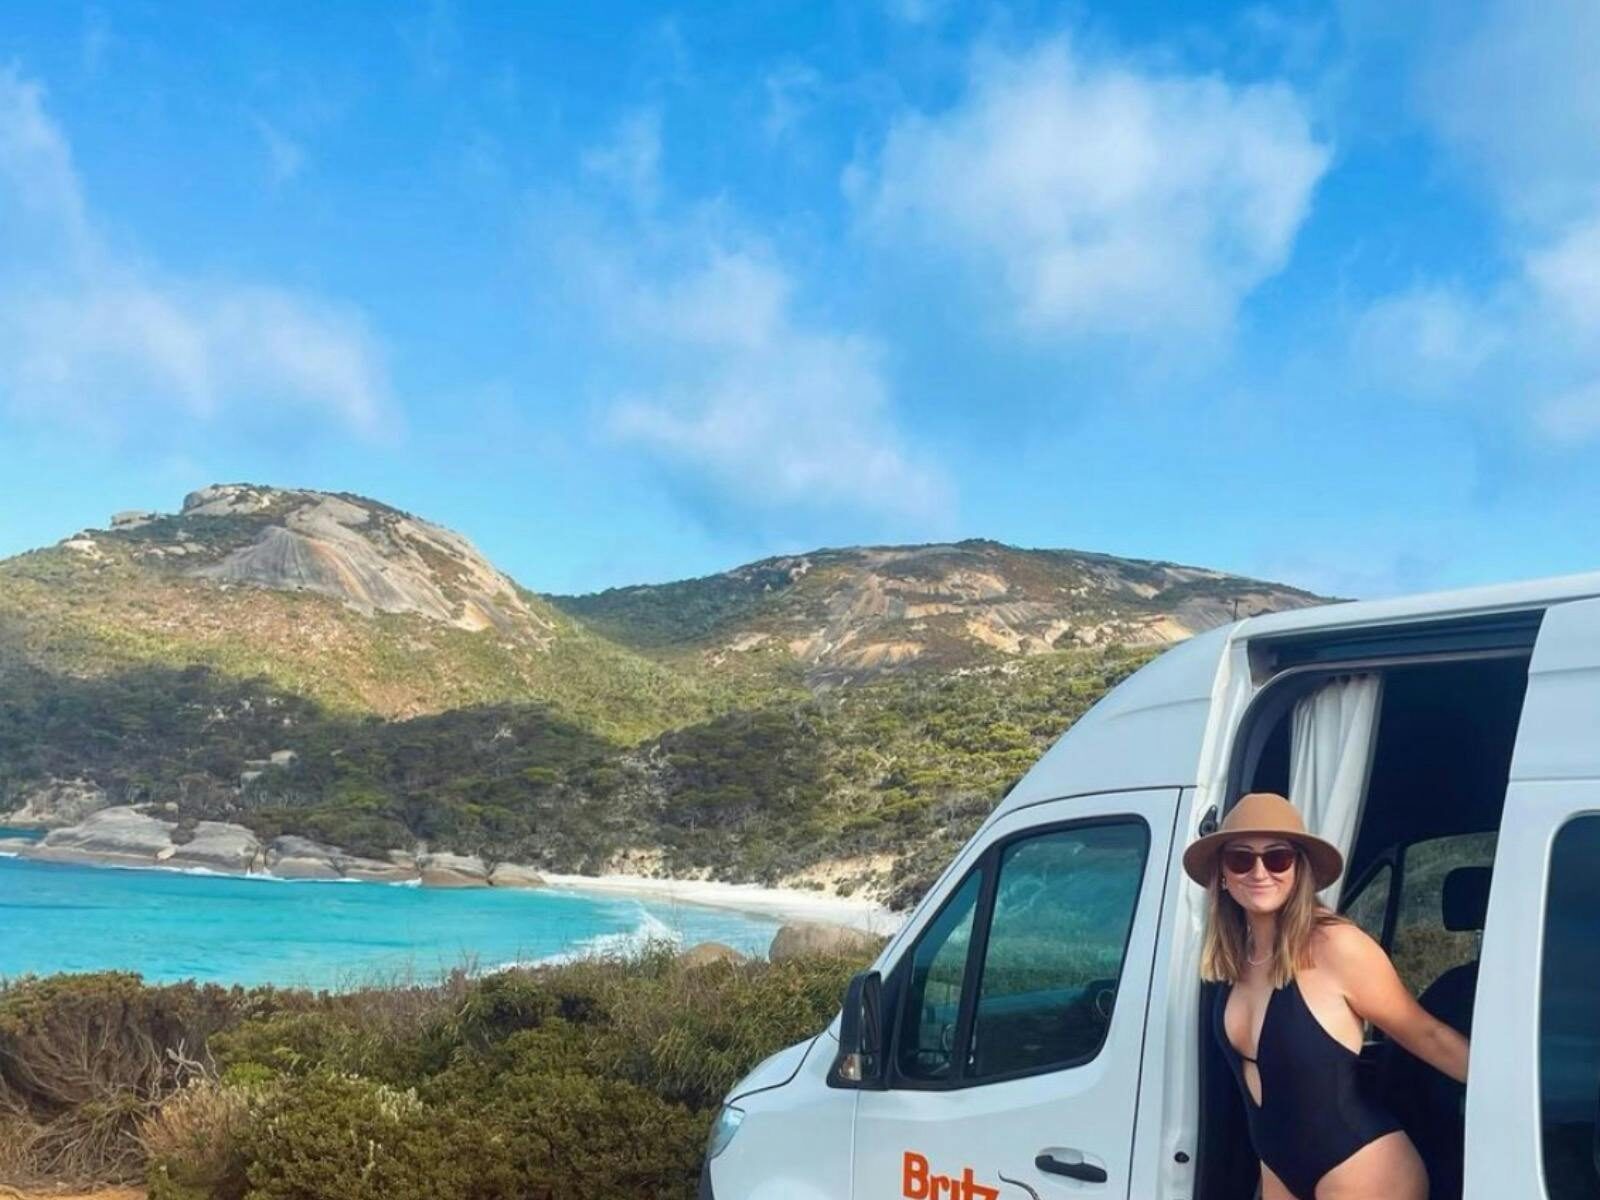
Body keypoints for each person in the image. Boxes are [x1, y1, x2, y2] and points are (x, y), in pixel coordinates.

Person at [1182, 792, 1470, 1200]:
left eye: (1278, 857)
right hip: (1278, 1170)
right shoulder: (1234, 959)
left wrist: (1533, 1095)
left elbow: (1427, 1035)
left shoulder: (1337, 945)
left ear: (1299, 869)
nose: (1259, 871)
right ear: (1223, 874)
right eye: (1240, 859)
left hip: (1364, 1170)